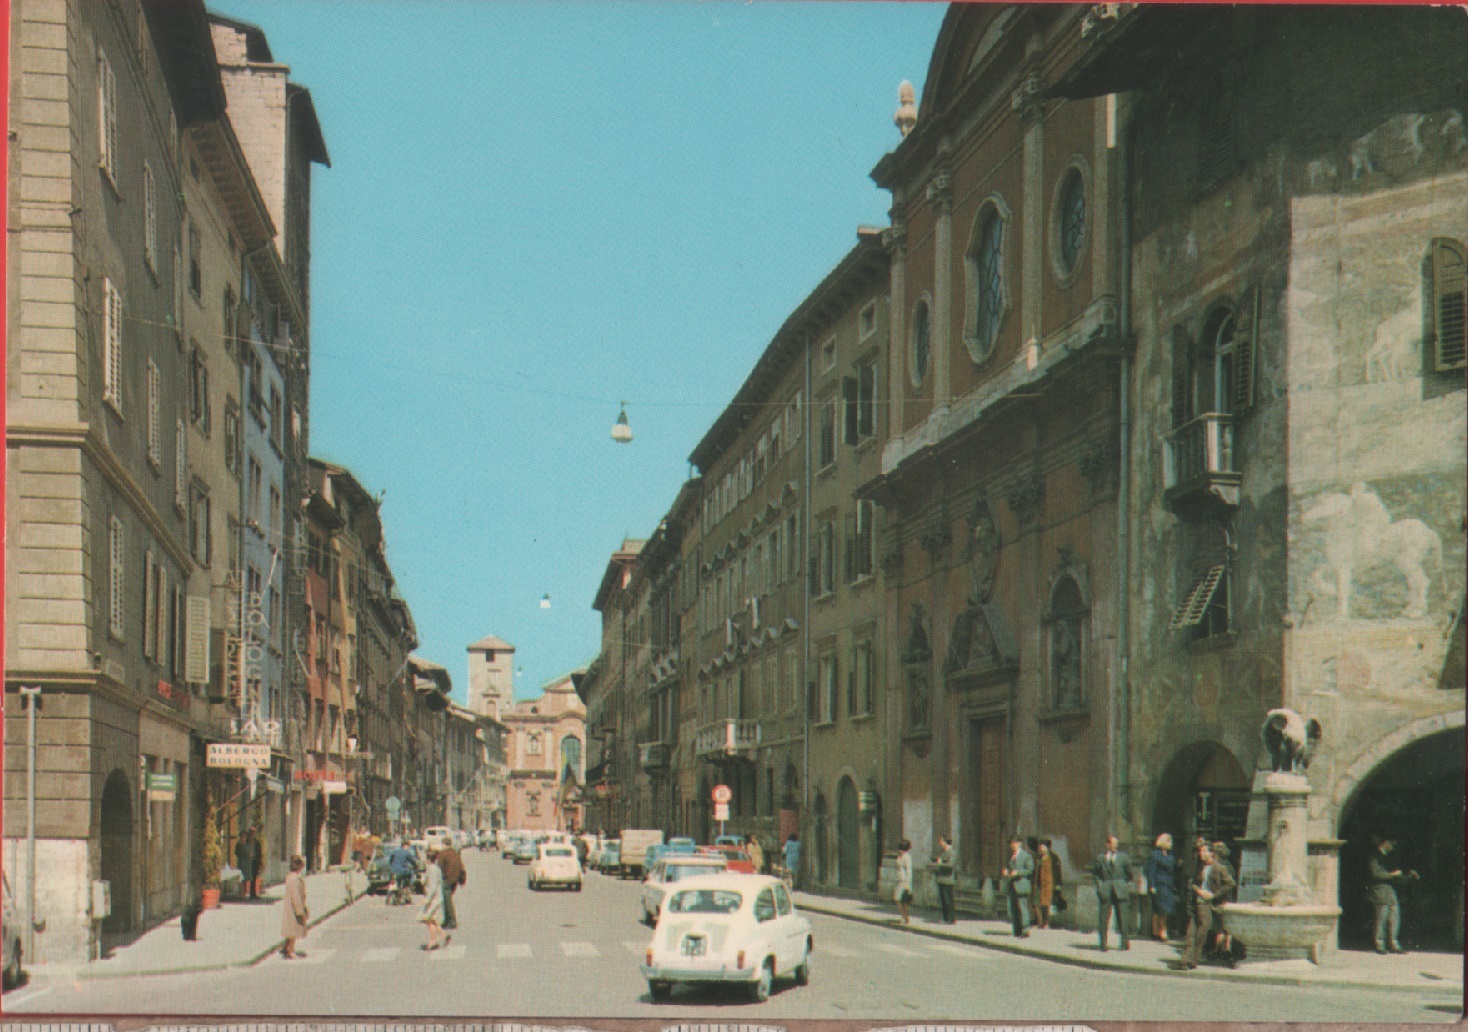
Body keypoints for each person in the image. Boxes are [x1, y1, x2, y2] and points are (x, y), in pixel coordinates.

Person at [1181, 842, 1235, 969]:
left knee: (1201, 932)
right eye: (1200, 851)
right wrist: (1198, 890)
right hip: (1196, 902)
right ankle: (1186, 959)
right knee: (1191, 932)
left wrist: (1214, 895)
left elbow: (1231, 884)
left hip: (1207, 904)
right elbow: (1191, 882)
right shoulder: (1199, 867)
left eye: (1205, 851)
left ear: (1212, 853)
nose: (1201, 854)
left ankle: (1193, 959)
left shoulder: (1219, 868)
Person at [1367, 836, 1418, 954]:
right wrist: (1393, 875)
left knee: (1394, 917)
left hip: (1390, 890)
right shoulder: (1374, 856)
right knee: (1381, 918)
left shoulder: (1389, 857)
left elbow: (1396, 871)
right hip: (1379, 890)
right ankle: (1379, 945)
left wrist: (1407, 874)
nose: (1393, 847)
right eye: (1392, 844)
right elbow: (1375, 874)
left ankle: (1394, 944)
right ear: (1385, 842)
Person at [1091, 834, 1133, 951]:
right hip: (1106, 890)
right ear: (1107, 845)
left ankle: (1125, 943)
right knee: (1103, 918)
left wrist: (1124, 885)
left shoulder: (1123, 857)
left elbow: (1130, 874)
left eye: (1116, 843)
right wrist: (1100, 887)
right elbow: (1095, 874)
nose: (1114, 846)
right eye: (1112, 843)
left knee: (1123, 918)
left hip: (1120, 891)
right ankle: (1103, 944)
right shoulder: (1101, 858)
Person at [1144, 833, 1178, 942]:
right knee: (1159, 909)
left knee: (1165, 909)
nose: (1171, 844)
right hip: (1159, 885)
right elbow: (1150, 871)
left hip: (1168, 885)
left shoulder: (1171, 856)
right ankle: (1159, 931)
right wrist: (1152, 885)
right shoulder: (1155, 855)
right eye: (1169, 842)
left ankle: (1159, 930)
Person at [1002, 836, 1033, 937]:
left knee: (1022, 908)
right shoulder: (1011, 856)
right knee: (1013, 909)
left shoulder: (1026, 856)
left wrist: (1018, 872)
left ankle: (1025, 929)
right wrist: (1007, 871)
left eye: (1014, 843)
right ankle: (1016, 930)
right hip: (1012, 886)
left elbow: (1030, 870)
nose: (1012, 845)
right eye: (1011, 843)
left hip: (1021, 885)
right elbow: (1009, 868)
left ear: (1019, 843)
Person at [279, 855, 308, 959]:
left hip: (291, 907)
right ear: (299, 867)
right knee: (293, 930)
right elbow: (295, 896)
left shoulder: (291, 877)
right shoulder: (294, 879)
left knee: (290, 930)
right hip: (293, 908)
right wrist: (300, 911)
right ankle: (290, 951)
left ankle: (285, 948)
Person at [419, 849, 448, 951]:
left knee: (428, 919)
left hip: (434, 899)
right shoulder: (434, 868)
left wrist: (427, 899)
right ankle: (443, 935)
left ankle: (433, 942)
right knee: (432, 919)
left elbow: (433, 887)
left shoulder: (432, 869)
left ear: (428, 859)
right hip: (437, 898)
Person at [437, 842, 466, 931]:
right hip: (455, 880)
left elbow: (439, 867)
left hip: (447, 879)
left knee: (447, 901)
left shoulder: (443, 854)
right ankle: (446, 921)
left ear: (444, 844)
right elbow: (461, 867)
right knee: (447, 900)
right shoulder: (455, 854)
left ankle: (451, 921)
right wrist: (462, 880)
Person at [932, 836, 957, 924]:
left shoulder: (951, 852)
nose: (940, 843)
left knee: (948, 900)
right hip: (941, 878)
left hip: (948, 879)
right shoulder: (943, 852)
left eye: (941, 841)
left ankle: (950, 919)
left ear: (946, 842)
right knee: (943, 900)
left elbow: (950, 865)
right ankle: (945, 918)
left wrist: (940, 863)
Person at [1034, 839, 1056, 929]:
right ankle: (1039, 922)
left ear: (1047, 848)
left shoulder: (1050, 859)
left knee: (1045, 905)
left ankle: (1045, 923)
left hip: (1047, 885)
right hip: (1038, 885)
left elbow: (1052, 874)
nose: (1040, 849)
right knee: (1036, 903)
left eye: (1042, 847)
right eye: (1040, 847)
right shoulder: (1038, 859)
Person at [237, 828, 263, 901]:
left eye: (254, 832)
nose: (252, 834)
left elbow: (259, 853)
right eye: (251, 832)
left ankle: (253, 894)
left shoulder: (257, 843)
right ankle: (243, 894)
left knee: (254, 878)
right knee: (245, 878)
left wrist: (260, 863)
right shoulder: (246, 842)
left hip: (255, 862)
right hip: (247, 862)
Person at [893, 839, 913, 924]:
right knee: (898, 899)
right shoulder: (900, 856)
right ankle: (904, 916)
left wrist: (907, 884)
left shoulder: (907, 858)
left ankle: (905, 917)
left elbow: (909, 871)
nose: (900, 850)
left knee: (903, 900)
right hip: (899, 880)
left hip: (904, 881)